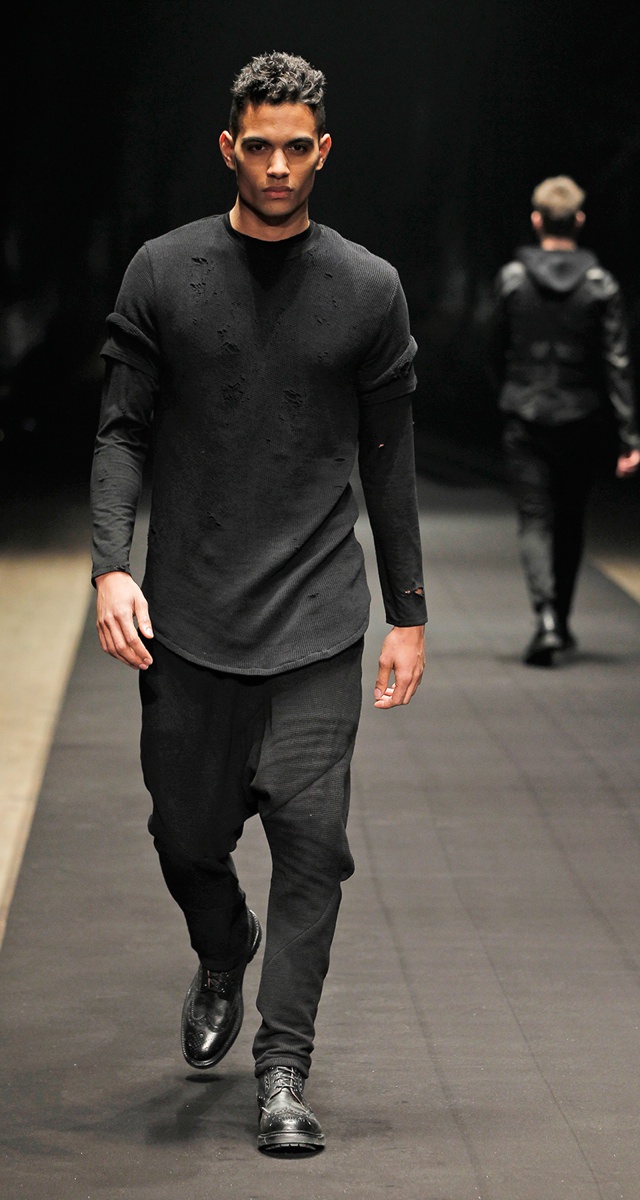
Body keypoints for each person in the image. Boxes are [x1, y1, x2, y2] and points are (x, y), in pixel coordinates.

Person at [91, 51, 426, 1153]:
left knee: (313, 845)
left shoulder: (367, 287)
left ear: (322, 152)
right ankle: (221, 942)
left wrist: (408, 610)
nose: (278, 167)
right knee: (185, 835)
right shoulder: (163, 271)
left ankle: (282, 1069)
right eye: (260, 147)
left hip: (318, 617)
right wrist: (110, 564)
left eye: (297, 148)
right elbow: (122, 429)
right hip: (186, 615)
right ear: (229, 148)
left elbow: (388, 456)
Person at [491, 176, 640, 665]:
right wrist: (628, 436)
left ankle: (546, 619)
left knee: (535, 519)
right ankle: (563, 619)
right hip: (581, 416)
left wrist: (507, 394)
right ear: (578, 220)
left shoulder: (513, 279)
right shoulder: (601, 285)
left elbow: (493, 347)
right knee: (571, 519)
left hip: (524, 413)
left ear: (537, 220)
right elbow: (616, 362)